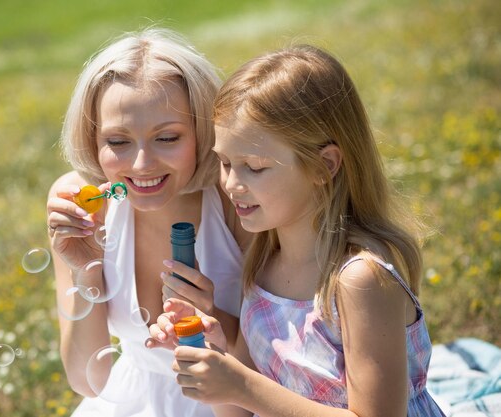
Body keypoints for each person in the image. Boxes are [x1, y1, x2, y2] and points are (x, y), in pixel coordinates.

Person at [148, 44, 446, 416]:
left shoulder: (358, 281)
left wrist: (242, 385)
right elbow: (237, 412)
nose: (231, 184)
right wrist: (206, 351)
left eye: (254, 167)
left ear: (324, 166)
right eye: (224, 162)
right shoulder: (262, 264)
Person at [46, 28, 250, 417]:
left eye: (168, 138)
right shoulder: (85, 205)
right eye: (118, 142)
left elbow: (279, 359)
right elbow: (88, 380)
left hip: (233, 403)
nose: (141, 165)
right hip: (129, 402)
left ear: (203, 131)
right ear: (92, 140)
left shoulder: (235, 199)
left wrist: (213, 320)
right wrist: (85, 274)